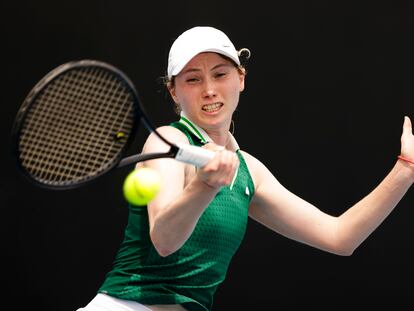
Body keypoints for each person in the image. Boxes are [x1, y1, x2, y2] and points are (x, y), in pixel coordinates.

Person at [77, 26, 414, 311]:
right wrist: (203, 186)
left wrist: (406, 170)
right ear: (174, 92)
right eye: (192, 79)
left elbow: (340, 237)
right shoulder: (167, 141)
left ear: (241, 79)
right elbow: (164, 241)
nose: (209, 89)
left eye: (220, 74)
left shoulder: (249, 171)